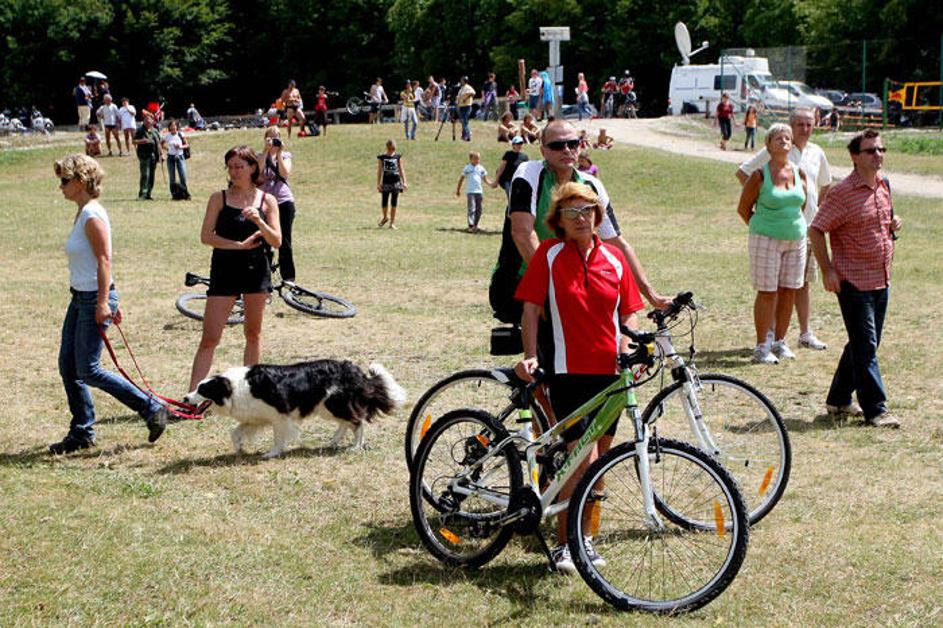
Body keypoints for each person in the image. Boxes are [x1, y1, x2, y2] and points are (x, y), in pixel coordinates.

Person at [513, 181, 645, 573]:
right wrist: (530, 356)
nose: (581, 218)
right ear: (559, 220)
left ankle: (585, 537)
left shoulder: (615, 259)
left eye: (587, 210)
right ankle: (565, 544)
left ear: (598, 216)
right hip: (567, 372)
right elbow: (531, 310)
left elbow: (629, 310)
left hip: (610, 375)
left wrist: (625, 343)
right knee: (580, 459)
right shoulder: (549, 255)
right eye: (571, 212)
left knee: (598, 461)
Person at [489, 119, 668, 326]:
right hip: (519, 284)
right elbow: (522, 233)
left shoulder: (592, 185)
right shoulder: (529, 173)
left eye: (573, 144)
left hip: (571, 284)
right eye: (557, 145)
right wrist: (557, 285)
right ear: (543, 151)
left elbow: (616, 242)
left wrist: (652, 295)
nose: (566, 149)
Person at [51, 154, 169, 454]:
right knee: (68, 366)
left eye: (64, 180)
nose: (60, 186)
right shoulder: (82, 212)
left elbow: (104, 260)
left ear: (80, 181)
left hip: (93, 298)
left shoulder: (92, 214)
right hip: (80, 297)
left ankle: (151, 407)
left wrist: (104, 301)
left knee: (88, 369)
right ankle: (82, 432)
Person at [809, 130, 901, 428]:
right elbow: (816, 229)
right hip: (853, 281)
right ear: (854, 156)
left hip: (881, 277)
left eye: (881, 150)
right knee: (865, 346)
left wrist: (893, 224)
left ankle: (838, 399)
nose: (878, 155)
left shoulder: (884, 185)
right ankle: (876, 410)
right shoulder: (843, 193)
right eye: (871, 151)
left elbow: (880, 223)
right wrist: (827, 270)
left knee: (864, 343)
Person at [737, 108, 833, 351]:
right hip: (770, 232)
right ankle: (767, 337)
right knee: (772, 288)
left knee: (799, 284)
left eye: (809, 124)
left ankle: (801, 334)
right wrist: (765, 209)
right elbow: (743, 177)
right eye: (799, 124)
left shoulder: (815, 154)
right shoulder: (771, 153)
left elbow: (824, 186)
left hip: (804, 229)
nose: (805, 129)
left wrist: (813, 213)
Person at [188, 146, 282, 392]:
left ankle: (249, 393)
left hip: (256, 271)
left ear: (252, 168)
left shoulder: (267, 200)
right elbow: (206, 236)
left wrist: (259, 221)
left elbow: (276, 241)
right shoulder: (218, 198)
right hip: (224, 271)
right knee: (210, 337)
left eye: (239, 166)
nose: (234, 172)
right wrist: (237, 246)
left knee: (253, 334)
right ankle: (194, 395)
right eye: (230, 167)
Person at [736, 124, 808, 364]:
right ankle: (762, 346)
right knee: (768, 292)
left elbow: (801, 204)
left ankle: (779, 341)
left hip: (795, 239)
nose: (784, 141)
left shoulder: (799, 173)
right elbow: (743, 209)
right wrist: (763, 227)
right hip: (765, 239)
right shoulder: (759, 175)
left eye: (787, 137)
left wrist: (790, 225)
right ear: (768, 145)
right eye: (778, 137)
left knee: (789, 289)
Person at [258, 127, 297, 282]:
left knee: (285, 241)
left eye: (276, 138)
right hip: (264, 202)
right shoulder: (259, 156)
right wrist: (265, 151)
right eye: (270, 138)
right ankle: (263, 278)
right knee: (263, 239)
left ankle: (289, 278)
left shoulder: (286, 156)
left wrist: (279, 153)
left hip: (283, 201)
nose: (273, 141)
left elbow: (284, 173)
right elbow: (257, 173)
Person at [456, 151, 494, 232]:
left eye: (478, 159)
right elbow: (461, 179)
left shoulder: (481, 168)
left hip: (479, 191)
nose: (477, 160)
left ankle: (475, 225)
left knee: (479, 209)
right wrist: (458, 190)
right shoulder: (467, 168)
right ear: (470, 159)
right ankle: (470, 226)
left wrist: (491, 184)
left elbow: (485, 179)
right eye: (475, 158)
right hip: (470, 191)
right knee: (471, 208)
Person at [376, 139, 407, 229]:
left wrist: (404, 181)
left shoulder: (397, 157)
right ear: (387, 148)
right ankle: (385, 217)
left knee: (394, 202)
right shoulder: (382, 158)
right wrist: (378, 183)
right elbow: (379, 171)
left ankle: (392, 223)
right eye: (390, 149)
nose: (391, 150)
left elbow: (401, 170)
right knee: (384, 201)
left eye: (393, 149)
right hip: (386, 182)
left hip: (396, 183)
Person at [132, 114, 161, 200]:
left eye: (149, 120)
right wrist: (142, 141)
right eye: (146, 120)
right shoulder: (140, 130)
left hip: (153, 156)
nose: (148, 121)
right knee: (145, 175)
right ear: (143, 121)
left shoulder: (155, 130)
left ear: (152, 121)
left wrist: (161, 154)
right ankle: (142, 194)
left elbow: (158, 143)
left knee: (152, 175)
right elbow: (134, 141)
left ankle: (149, 193)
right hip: (144, 156)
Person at [162, 119, 190, 200]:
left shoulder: (181, 134)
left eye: (174, 126)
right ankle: (174, 194)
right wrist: (167, 149)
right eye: (171, 126)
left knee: (183, 176)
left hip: (180, 156)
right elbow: (161, 144)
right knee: (172, 177)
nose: (173, 127)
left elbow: (187, 145)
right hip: (170, 157)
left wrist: (180, 147)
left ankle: (185, 194)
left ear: (177, 126)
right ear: (169, 127)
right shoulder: (167, 136)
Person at [456, 76, 475, 141]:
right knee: (463, 121)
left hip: (467, 106)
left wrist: (466, 98)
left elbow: (473, 93)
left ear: (464, 81)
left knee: (465, 121)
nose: (461, 81)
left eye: (462, 80)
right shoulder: (462, 88)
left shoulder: (468, 87)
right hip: (461, 106)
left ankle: (468, 134)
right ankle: (464, 136)